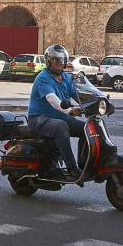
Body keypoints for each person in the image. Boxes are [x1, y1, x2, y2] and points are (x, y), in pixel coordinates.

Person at [27, 44, 86, 181]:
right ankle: (71, 168)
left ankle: (84, 164)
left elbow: (78, 94)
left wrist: (98, 101)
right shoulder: (43, 78)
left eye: (62, 60)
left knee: (86, 128)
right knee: (61, 126)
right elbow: (52, 98)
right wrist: (69, 110)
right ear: (48, 61)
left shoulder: (66, 77)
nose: (60, 63)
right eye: (56, 60)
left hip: (60, 116)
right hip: (38, 119)